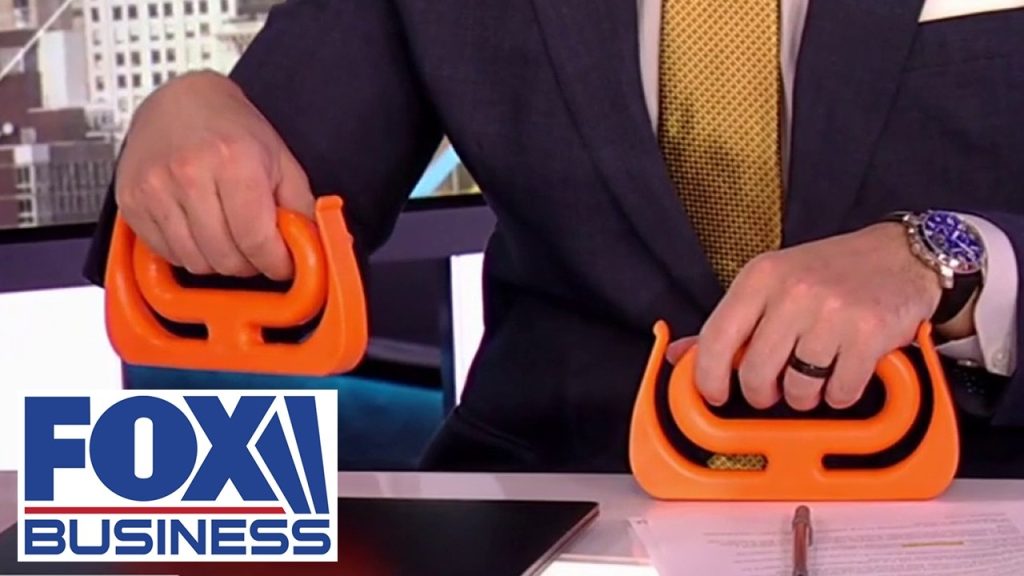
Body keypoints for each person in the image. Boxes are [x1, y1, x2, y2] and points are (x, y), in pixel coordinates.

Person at [84, 0, 1022, 475]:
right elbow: (255, 217)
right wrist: (186, 127)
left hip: (972, 494)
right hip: (562, 492)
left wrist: (949, 257)